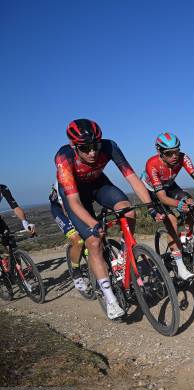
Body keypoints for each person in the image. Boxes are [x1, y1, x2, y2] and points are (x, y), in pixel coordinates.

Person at [55, 119, 164, 320]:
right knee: (94, 242)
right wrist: (93, 224)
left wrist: (150, 207)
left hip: (99, 185)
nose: (92, 152)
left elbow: (132, 178)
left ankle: (125, 251)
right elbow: (74, 202)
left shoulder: (109, 146)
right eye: (85, 148)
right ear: (74, 146)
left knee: (129, 211)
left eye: (95, 146)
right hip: (76, 195)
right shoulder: (64, 158)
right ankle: (110, 299)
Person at [141, 132, 194, 280]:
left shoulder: (183, 157)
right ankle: (180, 267)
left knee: (193, 205)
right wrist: (179, 204)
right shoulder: (152, 164)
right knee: (172, 221)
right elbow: (162, 197)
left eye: (177, 151)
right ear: (160, 152)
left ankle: (186, 237)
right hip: (153, 192)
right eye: (169, 153)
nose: (174, 156)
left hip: (169, 185)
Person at [49, 182, 89, 293]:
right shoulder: (64, 180)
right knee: (79, 241)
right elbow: (66, 210)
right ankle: (76, 272)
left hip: (76, 204)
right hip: (59, 210)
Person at [0, 184, 36, 272]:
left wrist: (25, 223)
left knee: (10, 241)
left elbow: (15, 207)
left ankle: (18, 272)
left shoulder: (3, 188)